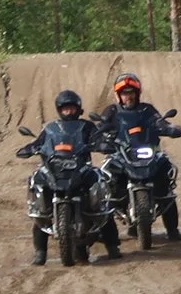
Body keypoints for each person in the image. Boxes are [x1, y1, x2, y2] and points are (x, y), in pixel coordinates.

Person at [13, 88, 119, 264]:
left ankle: (113, 247)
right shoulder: (51, 128)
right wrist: (30, 148)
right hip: (55, 169)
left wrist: (102, 144)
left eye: (71, 108)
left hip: (80, 168)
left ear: (78, 109)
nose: (68, 111)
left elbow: (98, 139)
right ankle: (40, 253)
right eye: (65, 108)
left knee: (102, 204)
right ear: (59, 110)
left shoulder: (87, 126)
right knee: (40, 212)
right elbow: (39, 142)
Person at [91, 73, 181, 238]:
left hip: (147, 152)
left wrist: (170, 129)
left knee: (166, 183)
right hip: (121, 154)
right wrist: (100, 141)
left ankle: (172, 230)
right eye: (125, 93)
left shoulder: (147, 110)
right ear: (119, 95)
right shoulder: (111, 111)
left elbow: (160, 122)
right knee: (104, 186)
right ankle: (101, 231)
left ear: (137, 93)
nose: (129, 96)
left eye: (131, 92)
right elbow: (100, 129)